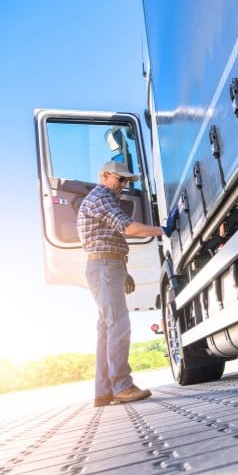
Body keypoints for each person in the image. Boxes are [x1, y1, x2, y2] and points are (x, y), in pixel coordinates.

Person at [77, 161, 175, 407]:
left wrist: (124, 270)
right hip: (104, 267)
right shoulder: (101, 197)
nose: (124, 185)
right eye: (120, 180)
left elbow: (109, 239)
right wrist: (164, 229)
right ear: (105, 176)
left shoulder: (104, 198)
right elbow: (130, 228)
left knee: (106, 329)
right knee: (118, 324)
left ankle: (104, 391)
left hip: (107, 266)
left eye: (127, 182)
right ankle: (122, 385)